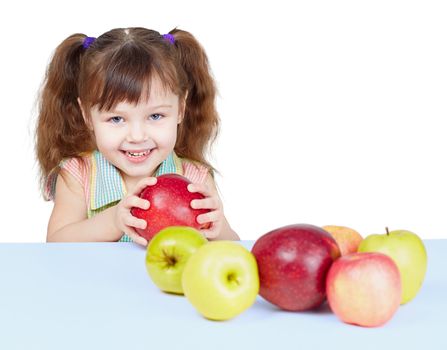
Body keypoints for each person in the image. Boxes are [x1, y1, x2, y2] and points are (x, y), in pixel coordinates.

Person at [35, 27, 239, 246]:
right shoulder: (77, 175)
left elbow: (234, 246)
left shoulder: (194, 178)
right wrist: (113, 221)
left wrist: (218, 229)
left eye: (156, 115)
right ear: (87, 115)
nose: (137, 135)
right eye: (116, 119)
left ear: (180, 108)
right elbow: (56, 242)